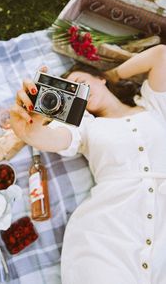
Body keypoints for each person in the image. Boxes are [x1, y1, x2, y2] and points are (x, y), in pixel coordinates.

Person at [9, 44, 166, 284]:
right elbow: (57, 138)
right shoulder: (85, 126)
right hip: (109, 229)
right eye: (73, 94)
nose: (81, 92)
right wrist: (30, 134)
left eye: (82, 83)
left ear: (100, 79)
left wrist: (112, 74)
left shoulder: (154, 107)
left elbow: (161, 54)